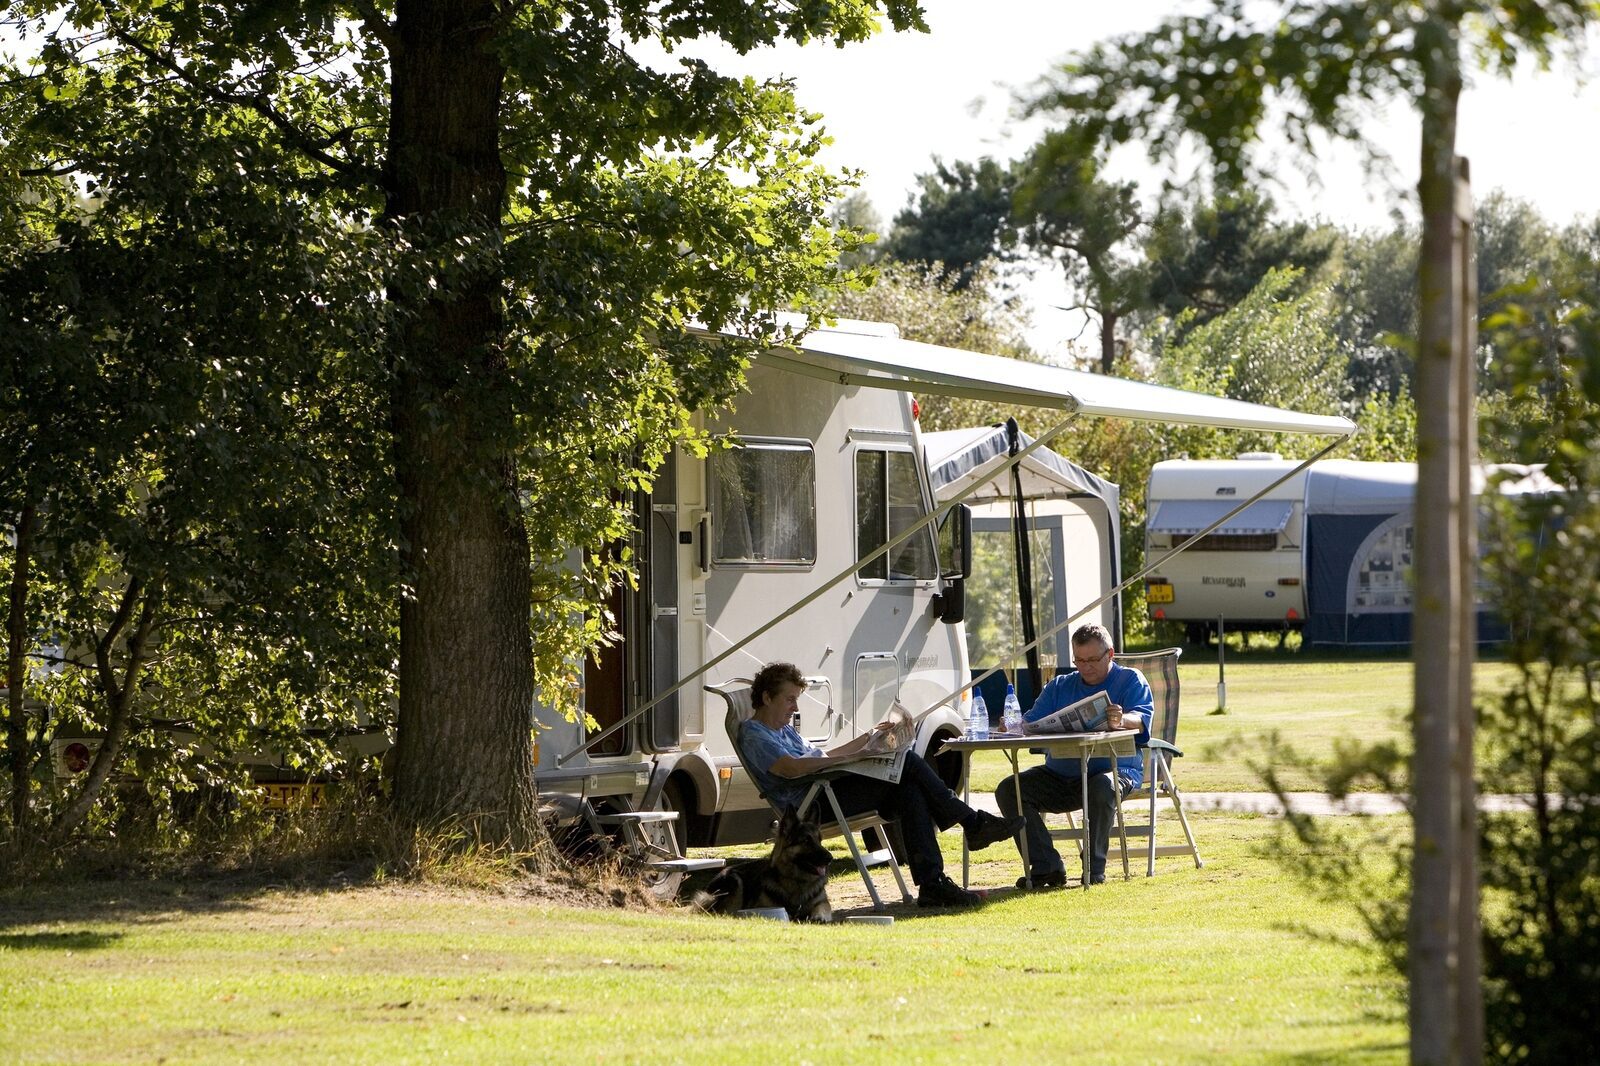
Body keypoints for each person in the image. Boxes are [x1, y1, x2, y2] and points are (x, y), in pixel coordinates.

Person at [738, 661, 1023, 909]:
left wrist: (868, 739)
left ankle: (933, 884)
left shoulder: (783, 729)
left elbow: (824, 757)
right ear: (766, 697)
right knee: (908, 764)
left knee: (909, 791)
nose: (795, 707)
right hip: (812, 805)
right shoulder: (754, 734)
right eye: (790, 699)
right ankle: (972, 824)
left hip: (826, 788)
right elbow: (790, 768)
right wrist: (855, 758)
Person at [995, 623, 1151, 888]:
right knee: (1010, 790)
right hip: (1060, 775)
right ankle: (1047, 867)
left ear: (1110, 655)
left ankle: (1093, 868)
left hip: (1113, 772)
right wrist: (1012, 727)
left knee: (1102, 786)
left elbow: (1142, 719)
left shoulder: (1130, 680)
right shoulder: (1059, 685)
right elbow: (1029, 723)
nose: (1085, 666)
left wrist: (1121, 718)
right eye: (1079, 660)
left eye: (1092, 659)